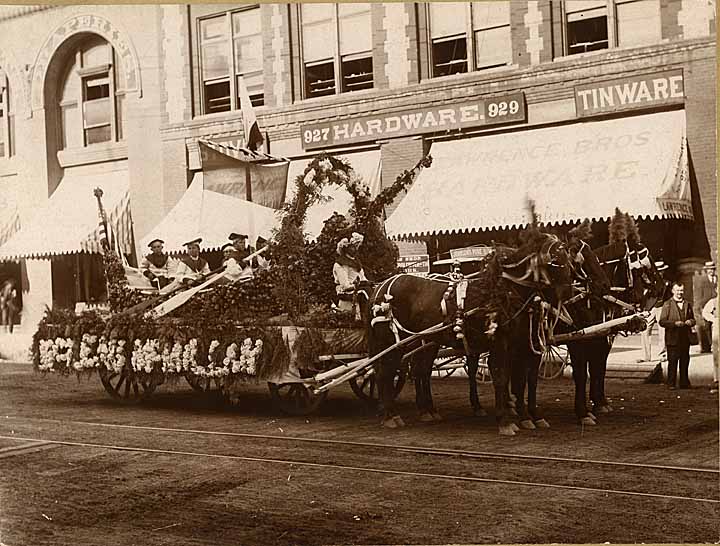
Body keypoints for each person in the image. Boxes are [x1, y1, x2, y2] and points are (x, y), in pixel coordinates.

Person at [659, 282, 696, 390]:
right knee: (673, 361)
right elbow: (662, 321)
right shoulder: (667, 304)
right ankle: (671, 383)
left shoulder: (687, 304)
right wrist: (674, 324)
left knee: (685, 361)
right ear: (673, 291)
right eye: (678, 290)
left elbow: (693, 319)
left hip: (685, 337)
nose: (680, 293)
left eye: (681, 290)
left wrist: (690, 321)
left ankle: (684, 383)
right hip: (673, 337)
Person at [640, 261, 670, 362]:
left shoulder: (666, 282)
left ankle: (662, 354)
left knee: (663, 331)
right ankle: (646, 356)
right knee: (645, 330)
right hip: (649, 308)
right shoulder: (648, 282)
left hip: (661, 307)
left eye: (661, 271)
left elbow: (668, 297)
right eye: (658, 271)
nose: (660, 273)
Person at [333, 232, 369, 315]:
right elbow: (345, 286)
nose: (355, 249)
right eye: (352, 247)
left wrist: (367, 282)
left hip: (358, 289)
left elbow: (363, 278)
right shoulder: (340, 264)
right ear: (346, 249)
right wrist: (359, 284)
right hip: (346, 292)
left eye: (356, 246)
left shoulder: (356, 263)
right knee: (365, 291)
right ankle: (366, 316)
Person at [692, 261, 716, 353]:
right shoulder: (701, 281)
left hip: (716, 306)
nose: (711, 271)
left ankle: (715, 345)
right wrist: (698, 309)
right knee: (704, 327)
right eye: (709, 269)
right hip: (705, 306)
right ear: (706, 270)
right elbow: (697, 296)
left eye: (712, 269)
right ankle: (705, 347)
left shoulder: (717, 279)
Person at [701, 295, 719, 393]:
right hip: (717, 327)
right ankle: (717, 379)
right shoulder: (713, 301)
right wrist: (714, 319)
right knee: (717, 354)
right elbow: (705, 312)